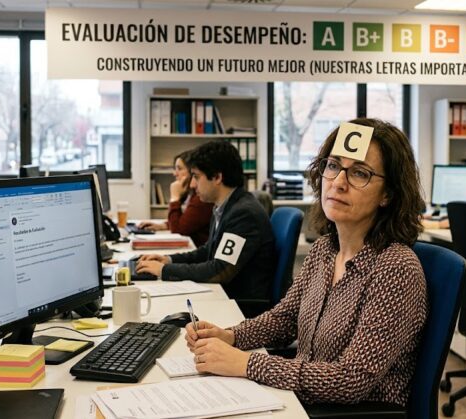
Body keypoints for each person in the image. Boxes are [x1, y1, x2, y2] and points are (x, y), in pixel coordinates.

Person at [183, 118, 429, 407]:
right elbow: (285, 319)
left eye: (360, 173)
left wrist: (246, 364)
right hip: (299, 400)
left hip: (350, 412)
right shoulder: (325, 249)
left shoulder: (396, 268)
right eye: (333, 166)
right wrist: (230, 336)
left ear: (388, 194)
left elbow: (351, 381)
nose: (338, 182)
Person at [135, 141, 276, 301]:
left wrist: (164, 270)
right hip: (224, 293)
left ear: (217, 177)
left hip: (240, 304)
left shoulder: (243, 214)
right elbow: (208, 250)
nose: (192, 184)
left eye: (196, 177)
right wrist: (169, 260)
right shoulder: (224, 206)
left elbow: (220, 270)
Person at [137, 151, 213, 246]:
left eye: (179, 169)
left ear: (192, 171)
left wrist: (174, 198)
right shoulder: (190, 193)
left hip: (197, 248)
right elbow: (185, 221)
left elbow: (178, 230)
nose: (175, 173)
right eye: (175, 169)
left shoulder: (201, 198)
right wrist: (164, 225)